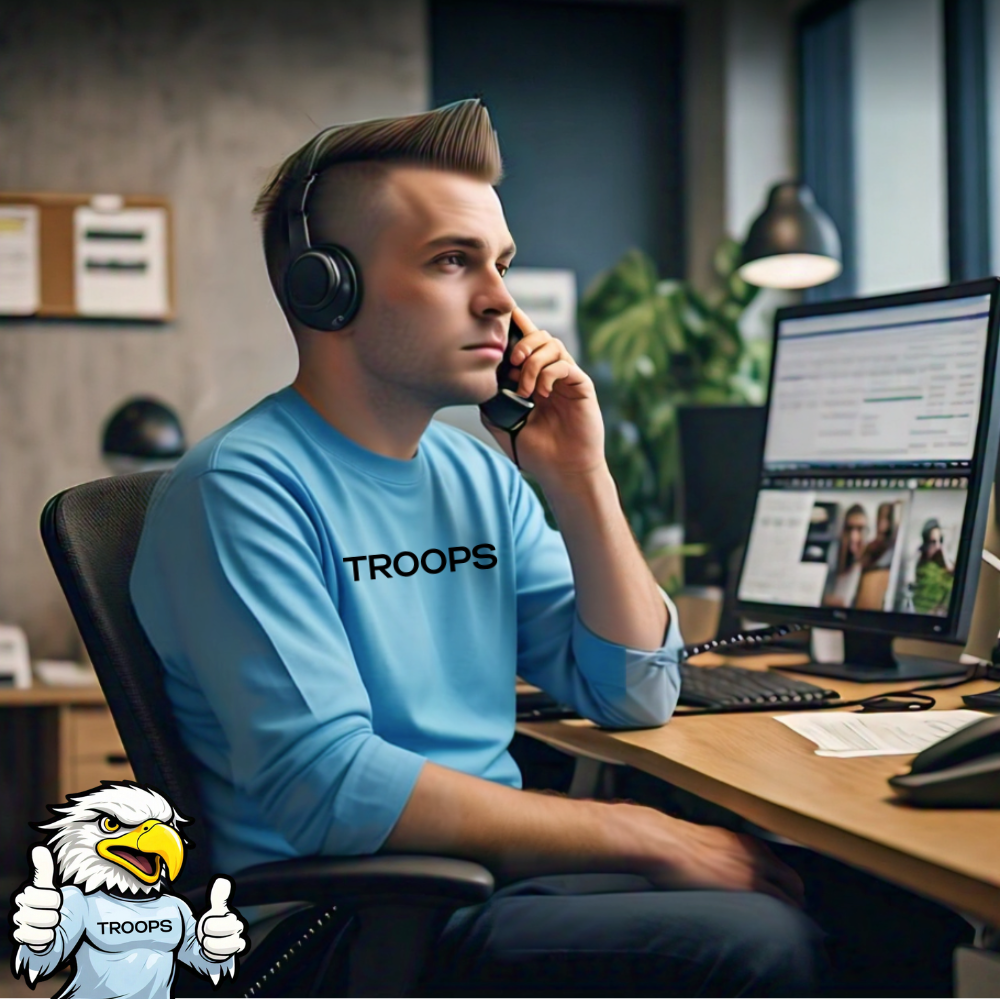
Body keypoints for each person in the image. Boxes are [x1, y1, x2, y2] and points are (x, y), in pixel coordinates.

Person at [130, 100, 825, 995]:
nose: (502, 300)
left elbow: (634, 691)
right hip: (348, 922)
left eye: (499, 264)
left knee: (835, 891)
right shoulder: (242, 490)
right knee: (763, 941)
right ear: (324, 287)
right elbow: (332, 790)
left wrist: (581, 479)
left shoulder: (477, 474)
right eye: (452, 261)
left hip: (486, 882)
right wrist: (648, 835)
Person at [823, 504, 868, 608]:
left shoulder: (870, 562)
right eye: (849, 529)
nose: (854, 537)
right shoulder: (834, 554)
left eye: (860, 529)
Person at [911, 518, 955, 615]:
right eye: (933, 542)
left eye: (940, 541)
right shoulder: (921, 564)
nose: (938, 546)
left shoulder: (945, 564)